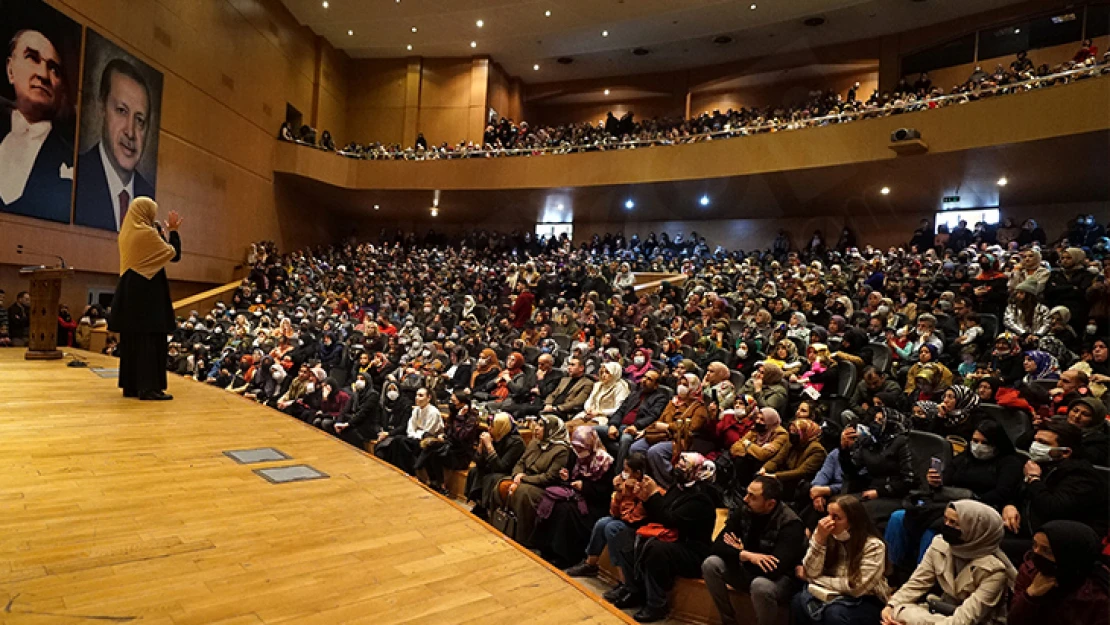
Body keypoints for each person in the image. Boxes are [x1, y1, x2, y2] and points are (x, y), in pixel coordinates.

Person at [886, 419, 1024, 573]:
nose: (978, 446)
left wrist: (968, 502)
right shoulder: (965, 458)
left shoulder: (1009, 463)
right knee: (898, 518)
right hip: (947, 505)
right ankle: (892, 573)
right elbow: (946, 481)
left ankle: (924, 578)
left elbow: (1002, 493)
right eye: (974, 441)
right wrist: (935, 482)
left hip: (979, 510)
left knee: (933, 532)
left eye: (984, 442)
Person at [608, 453, 718, 622]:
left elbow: (670, 519)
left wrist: (652, 495)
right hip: (669, 536)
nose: (677, 469)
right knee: (624, 536)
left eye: (683, 466)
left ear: (695, 471)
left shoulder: (702, 497)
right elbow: (659, 514)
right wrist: (645, 498)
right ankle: (634, 589)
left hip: (691, 549)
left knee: (655, 549)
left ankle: (656, 604)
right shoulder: (678, 487)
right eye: (678, 464)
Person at [883, 500, 1018, 625]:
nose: (946, 526)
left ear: (974, 529)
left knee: (904, 616)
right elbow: (918, 582)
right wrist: (891, 606)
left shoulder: (995, 570)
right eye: (945, 520)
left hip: (977, 621)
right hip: (942, 612)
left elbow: (965, 620)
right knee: (897, 612)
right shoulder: (940, 544)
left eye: (954, 523)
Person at [703, 475, 806, 625]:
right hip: (748, 568)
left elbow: (774, 569)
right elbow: (716, 546)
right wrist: (745, 555)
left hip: (780, 581)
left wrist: (736, 553)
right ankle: (728, 621)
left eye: (753, 496)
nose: (745, 499)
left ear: (770, 504)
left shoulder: (791, 524)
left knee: (760, 586)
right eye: (747, 493)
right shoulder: (744, 510)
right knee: (710, 563)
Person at [1002, 418, 1108, 561]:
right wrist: (1010, 505)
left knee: (989, 545)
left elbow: (1053, 508)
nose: (1035, 446)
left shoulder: (1082, 476)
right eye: (1036, 440)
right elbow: (1018, 492)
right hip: (1025, 529)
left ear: (1065, 452)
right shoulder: (1041, 464)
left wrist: (1034, 479)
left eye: (1044, 443)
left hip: (1057, 546)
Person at [0, 28, 75, 222]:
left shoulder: (71, 160)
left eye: (54, 69)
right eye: (32, 58)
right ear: (10, 71)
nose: (43, 74)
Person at [110, 198, 181, 400]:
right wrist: (173, 231)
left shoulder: (126, 233)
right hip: (147, 291)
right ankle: (149, 388)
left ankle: (131, 385)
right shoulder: (147, 233)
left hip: (129, 290)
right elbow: (173, 254)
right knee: (150, 340)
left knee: (132, 340)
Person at [74, 59, 156, 231]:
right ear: (101, 108)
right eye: (121, 111)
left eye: (140, 120)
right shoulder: (75, 177)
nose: (130, 132)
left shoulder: (151, 198)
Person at [792, 495, 890, 625]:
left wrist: (816, 580)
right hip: (829, 593)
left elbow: (857, 587)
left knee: (834, 613)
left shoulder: (873, 545)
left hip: (866, 599)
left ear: (853, 522)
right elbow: (810, 571)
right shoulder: (823, 534)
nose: (828, 522)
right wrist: (819, 542)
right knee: (798, 600)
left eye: (836, 517)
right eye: (828, 515)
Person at [531, 426, 615, 567]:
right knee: (552, 504)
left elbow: (605, 491)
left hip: (593, 503)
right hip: (573, 495)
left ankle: (564, 556)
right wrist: (566, 477)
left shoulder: (605, 462)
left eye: (581, 448)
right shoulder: (574, 454)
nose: (578, 451)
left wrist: (585, 487)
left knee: (565, 511)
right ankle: (547, 549)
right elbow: (570, 478)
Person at [564, 452, 648, 578]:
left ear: (637, 473)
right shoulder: (625, 485)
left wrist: (626, 494)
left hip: (637, 525)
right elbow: (614, 512)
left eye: (626, 470)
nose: (622, 474)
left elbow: (631, 518)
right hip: (622, 520)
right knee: (602, 523)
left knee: (611, 528)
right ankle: (590, 564)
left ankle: (625, 580)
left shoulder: (645, 489)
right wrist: (619, 494)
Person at [1009, 520, 1109, 625]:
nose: (1036, 553)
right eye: (1034, 545)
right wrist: (1030, 595)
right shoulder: (1029, 571)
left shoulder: (1098, 592)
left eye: (1047, 551)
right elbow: (1014, 621)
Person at [494, 415, 571, 546]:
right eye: (537, 424)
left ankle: (523, 539)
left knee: (522, 493)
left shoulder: (561, 450)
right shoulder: (535, 442)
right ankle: (498, 525)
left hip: (542, 487)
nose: (536, 428)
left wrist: (523, 479)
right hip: (523, 479)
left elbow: (549, 477)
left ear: (551, 430)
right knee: (500, 484)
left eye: (541, 426)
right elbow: (521, 462)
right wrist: (517, 475)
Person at [841, 408, 916, 525]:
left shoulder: (902, 443)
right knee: (839, 505)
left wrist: (879, 492)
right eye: (875, 419)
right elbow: (852, 470)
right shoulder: (869, 442)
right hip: (870, 490)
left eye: (880, 420)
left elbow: (908, 480)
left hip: (893, 495)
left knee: (858, 512)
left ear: (891, 424)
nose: (875, 423)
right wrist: (845, 450)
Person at [415, 389, 478, 495]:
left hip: (461, 455)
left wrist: (460, 417)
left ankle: (434, 480)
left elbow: (460, 437)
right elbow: (449, 433)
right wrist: (443, 436)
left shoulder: (471, 419)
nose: (450, 403)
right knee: (430, 447)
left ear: (463, 404)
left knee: (434, 453)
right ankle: (435, 481)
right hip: (449, 448)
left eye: (454, 402)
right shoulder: (453, 414)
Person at [466, 412, 525, 521]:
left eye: (492, 426)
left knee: (491, 477)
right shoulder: (495, 438)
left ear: (501, 427)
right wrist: (480, 447)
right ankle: (479, 504)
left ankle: (486, 508)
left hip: (508, 472)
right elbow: (479, 463)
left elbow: (501, 467)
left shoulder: (516, 442)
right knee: (475, 470)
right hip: (494, 468)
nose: (489, 429)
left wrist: (489, 447)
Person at [374, 387, 442, 476]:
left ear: (429, 397)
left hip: (427, 441)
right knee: (397, 441)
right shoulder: (416, 410)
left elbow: (428, 431)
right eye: (416, 395)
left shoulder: (434, 412)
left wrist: (415, 434)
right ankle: (397, 468)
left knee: (401, 440)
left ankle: (409, 471)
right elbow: (411, 427)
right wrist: (413, 434)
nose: (417, 398)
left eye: (421, 396)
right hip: (414, 437)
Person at [760, 417, 826, 501]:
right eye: (790, 431)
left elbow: (801, 472)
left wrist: (775, 476)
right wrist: (765, 469)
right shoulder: (792, 441)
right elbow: (777, 459)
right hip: (784, 475)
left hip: (797, 482)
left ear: (805, 433)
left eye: (795, 432)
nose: (791, 434)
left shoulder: (817, 450)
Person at [731, 407, 790, 487]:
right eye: (757, 418)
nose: (758, 421)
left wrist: (748, 444)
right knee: (740, 460)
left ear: (770, 421)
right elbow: (734, 448)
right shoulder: (756, 429)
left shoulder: (781, 434)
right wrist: (755, 448)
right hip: (750, 463)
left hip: (768, 467)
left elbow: (763, 455)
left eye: (762, 420)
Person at [1065, 396, 1109, 466]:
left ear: (1094, 420)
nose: (1077, 416)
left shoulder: (1101, 442)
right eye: (1075, 410)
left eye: (1085, 414)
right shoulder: (1056, 423)